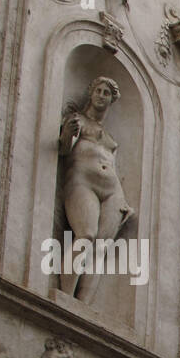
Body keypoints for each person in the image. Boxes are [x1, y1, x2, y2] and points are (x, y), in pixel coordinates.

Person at [58, 76, 134, 304]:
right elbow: (63, 150)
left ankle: (83, 306)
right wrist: (66, 135)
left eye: (107, 93)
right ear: (91, 94)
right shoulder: (77, 121)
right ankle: (65, 297)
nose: (102, 96)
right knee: (86, 235)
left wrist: (124, 202)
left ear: (112, 100)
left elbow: (112, 165)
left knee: (101, 249)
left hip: (112, 193)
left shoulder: (111, 138)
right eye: (99, 91)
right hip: (82, 182)